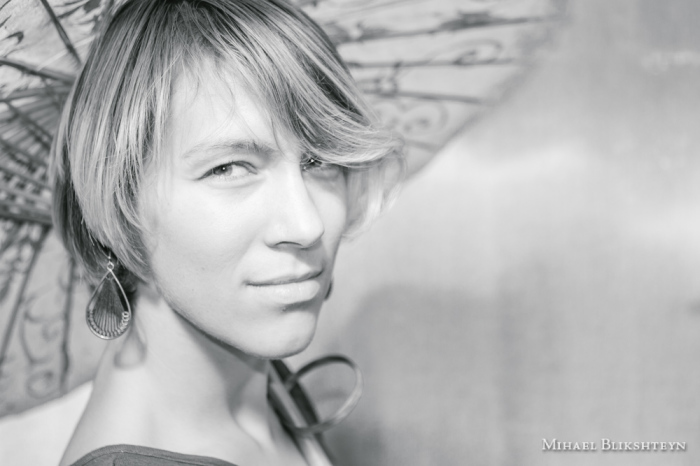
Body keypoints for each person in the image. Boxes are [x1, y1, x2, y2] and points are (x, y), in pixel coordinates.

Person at [50, 0, 402, 464]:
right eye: (230, 167)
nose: (307, 224)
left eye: (320, 160)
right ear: (117, 209)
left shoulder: (254, 370)